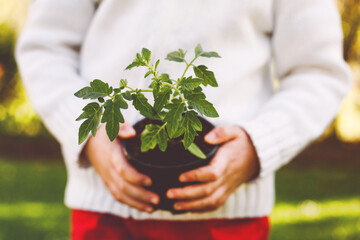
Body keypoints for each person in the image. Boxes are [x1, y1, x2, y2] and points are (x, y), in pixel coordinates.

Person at [16, 0, 351, 239]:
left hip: (228, 221)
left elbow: (318, 74)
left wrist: (257, 145)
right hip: (105, 213)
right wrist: (90, 136)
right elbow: (46, 49)